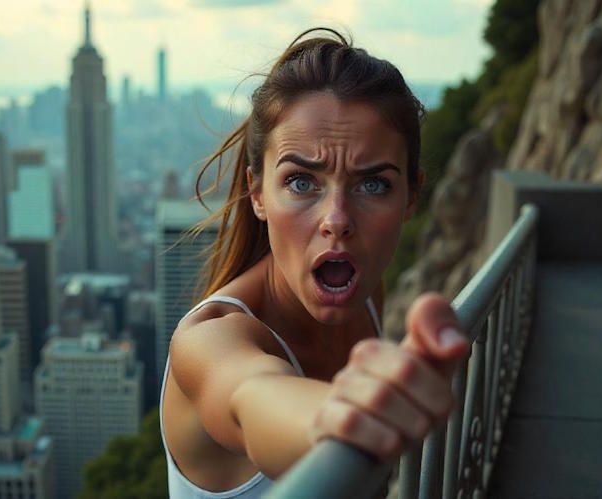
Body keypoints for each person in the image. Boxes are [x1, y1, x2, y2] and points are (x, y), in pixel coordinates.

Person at [159, 28, 470, 499]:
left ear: (412, 195)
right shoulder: (207, 340)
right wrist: (338, 413)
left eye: (373, 185)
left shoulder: (366, 295)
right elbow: (249, 395)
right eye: (302, 182)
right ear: (258, 192)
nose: (337, 221)